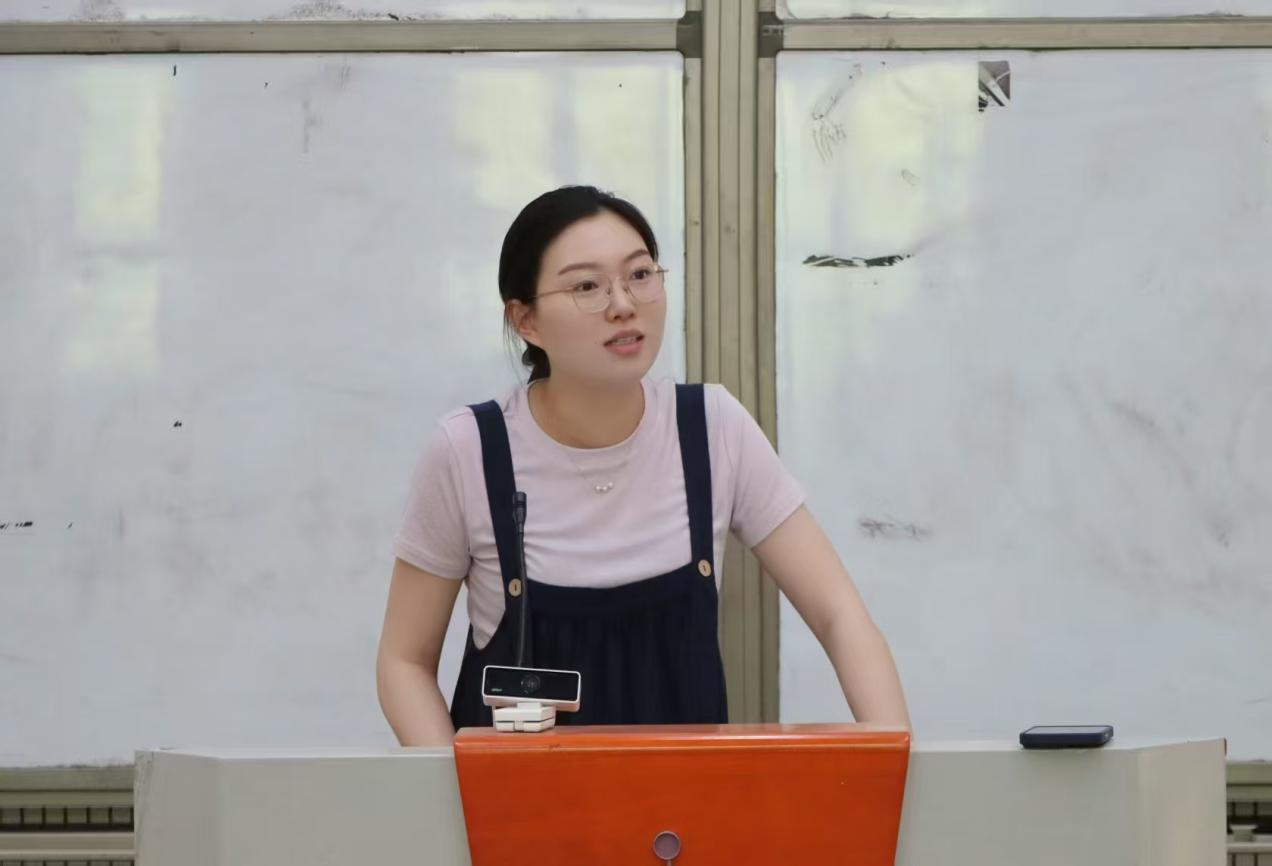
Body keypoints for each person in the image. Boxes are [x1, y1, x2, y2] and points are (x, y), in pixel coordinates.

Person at [376, 185, 909, 744]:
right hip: (513, 798)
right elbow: (403, 661)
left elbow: (839, 615)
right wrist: (454, 790)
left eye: (639, 274)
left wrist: (896, 768)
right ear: (526, 320)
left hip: (683, 799)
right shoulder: (469, 450)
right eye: (587, 286)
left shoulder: (711, 427)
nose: (623, 304)